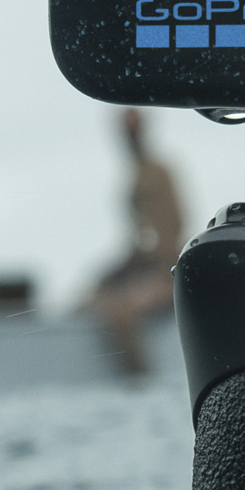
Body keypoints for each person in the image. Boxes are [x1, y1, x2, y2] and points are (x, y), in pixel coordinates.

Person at [89, 107, 184, 375]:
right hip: (143, 263)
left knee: (121, 312)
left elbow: (172, 228)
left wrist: (158, 264)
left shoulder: (158, 172)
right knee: (92, 298)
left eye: (133, 129)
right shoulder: (136, 173)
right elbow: (140, 237)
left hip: (165, 266)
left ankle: (139, 380)